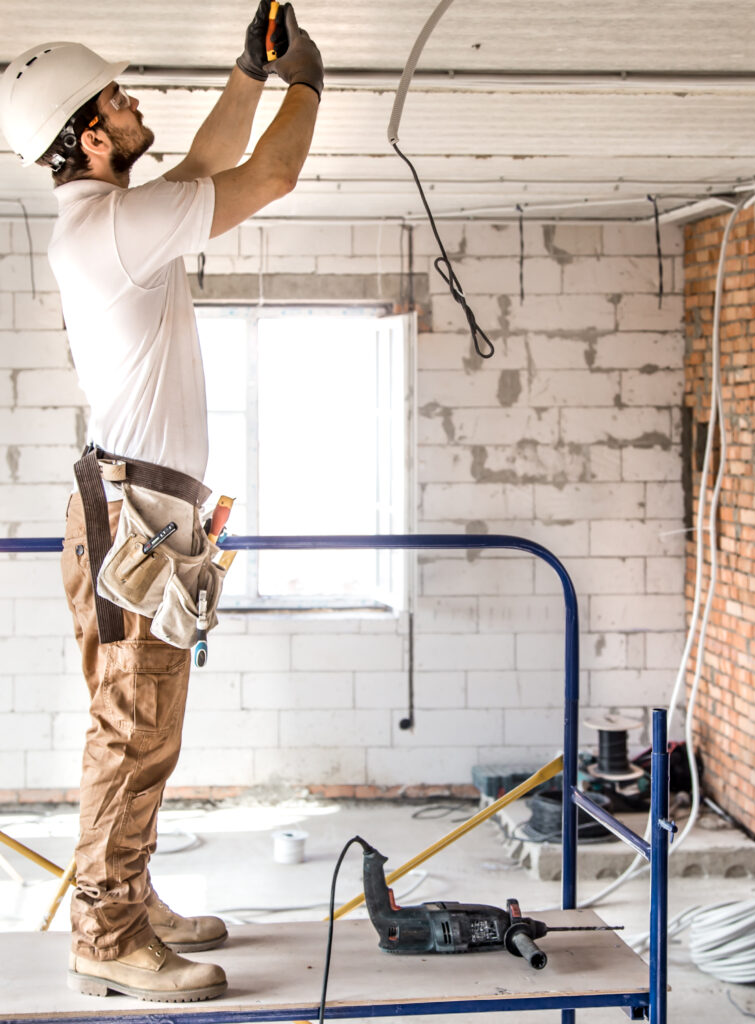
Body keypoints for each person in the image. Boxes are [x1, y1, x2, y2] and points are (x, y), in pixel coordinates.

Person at [0, 2, 322, 1003]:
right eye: (122, 100)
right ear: (92, 136)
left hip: (140, 506)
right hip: (133, 510)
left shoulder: (117, 221)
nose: (139, 105)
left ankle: (127, 894)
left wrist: (248, 75)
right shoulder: (107, 231)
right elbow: (267, 175)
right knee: (131, 728)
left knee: (140, 723)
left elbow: (197, 173)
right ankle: (104, 930)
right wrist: (305, 82)